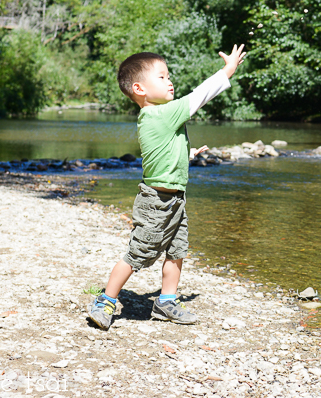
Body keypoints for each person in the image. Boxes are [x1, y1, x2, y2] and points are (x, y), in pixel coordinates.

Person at [87, 45, 246, 330]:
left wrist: (187, 153)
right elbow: (197, 98)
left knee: (177, 250)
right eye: (162, 77)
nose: (170, 81)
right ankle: (106, 301)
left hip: (176, 200)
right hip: (156, 202)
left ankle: (166, 301)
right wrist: (227, 71)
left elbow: (162, 155)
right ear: (139, 89)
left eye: (168, 76)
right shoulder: (160, 114)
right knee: (137, 254)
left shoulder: (158, 118)